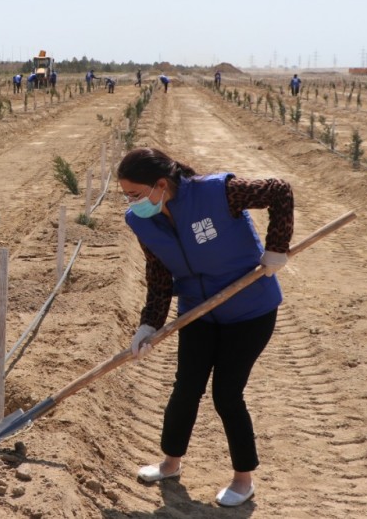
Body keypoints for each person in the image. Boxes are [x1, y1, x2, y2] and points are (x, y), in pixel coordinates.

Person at [118, 147, 293, 508]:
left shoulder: (217, 192)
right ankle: (170, 463)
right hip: (198, 313)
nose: (132, 203)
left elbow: (279, 189)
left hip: (250, 311)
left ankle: (243, 480)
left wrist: (276, 248)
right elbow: (158, 273)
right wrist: (148, 324)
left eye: (136, 194)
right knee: (185, 388)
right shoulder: (142, 220)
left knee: (227, 394)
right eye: (127, 196)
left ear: (161, 184)